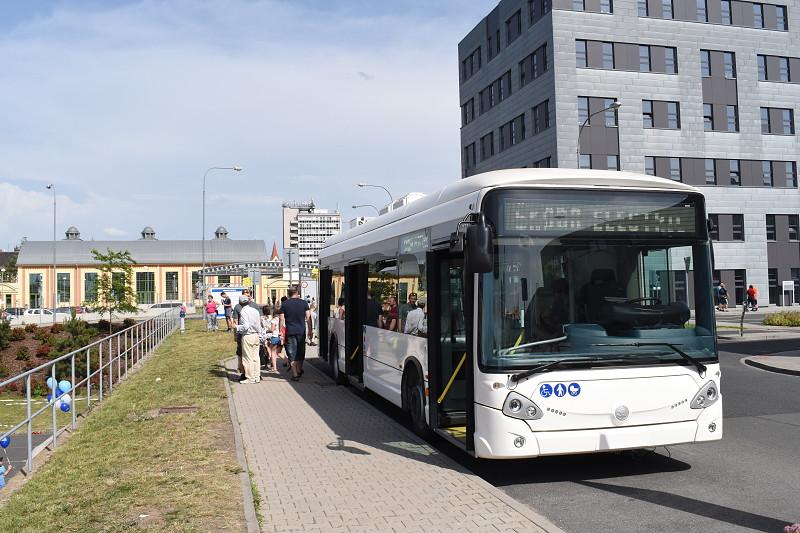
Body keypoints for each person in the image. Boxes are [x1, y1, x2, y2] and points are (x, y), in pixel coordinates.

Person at [280, 287, 312, 381]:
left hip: (290, 331)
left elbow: (282, 319)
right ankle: (298, 369)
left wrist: (281, 331)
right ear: (297, 292)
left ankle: (294, 374)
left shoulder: (285, 304)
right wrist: (310, 330)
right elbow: (308, 317)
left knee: (291, 352)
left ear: (289, 294)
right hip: (301, 331)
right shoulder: (304, 303)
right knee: (300, 351)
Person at [236, 295, 266, 384]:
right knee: (256, 357)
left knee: (247, 358)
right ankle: (257, 376)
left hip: (248, 335)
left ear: (240, 303)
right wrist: (260, 336)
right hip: (256, 335)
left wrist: (236, 327)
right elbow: (259, 324)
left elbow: (245, 326)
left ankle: (250, 378)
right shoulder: (255, 311)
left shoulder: (243, 311)